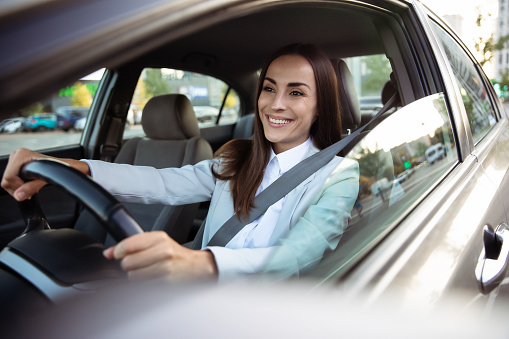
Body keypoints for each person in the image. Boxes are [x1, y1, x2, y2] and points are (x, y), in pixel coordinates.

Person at [1, 43, 359, 282]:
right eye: (269, 88)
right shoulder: (238, 158)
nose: (275, 104)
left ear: (321, 106)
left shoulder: (339, 175)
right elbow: (163, 183)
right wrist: (79, 167)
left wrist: (200, 263)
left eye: (296, 92)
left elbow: (300, 255)